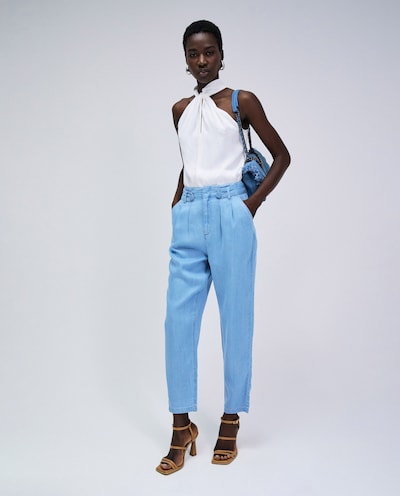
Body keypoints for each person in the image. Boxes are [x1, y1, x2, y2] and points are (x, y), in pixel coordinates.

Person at [156, 20, 290, 475]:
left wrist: (249, 206)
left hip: (232, 214)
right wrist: (178, 204)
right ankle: (181, 426)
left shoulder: (240, 101)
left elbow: (282, 156)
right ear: (185, 59)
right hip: (189, 218)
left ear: (221, 54)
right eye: (193, 54)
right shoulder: (179, 109)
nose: (202, 60)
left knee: (235, 319)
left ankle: (230, 418)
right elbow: (191, 162)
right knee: (178, 323)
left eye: (209, 51)